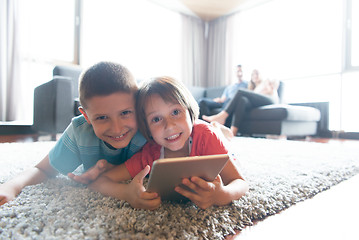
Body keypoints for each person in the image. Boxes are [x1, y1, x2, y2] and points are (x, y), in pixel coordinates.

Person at [89, 76, 249, 210]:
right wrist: (126, 193)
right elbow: (100, 181)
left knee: (221, 140)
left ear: (189, 110)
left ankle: (220, 130)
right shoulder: (150, 154)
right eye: (156, 119)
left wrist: (221, 195)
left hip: (211, 136)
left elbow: (240, 182)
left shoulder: (206, 137)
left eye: (175, 112)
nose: (169, 126)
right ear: (147, 128)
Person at [0, 61, 147, 206]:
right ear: (86, 116)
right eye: (102, 117)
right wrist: (11, 186)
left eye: (125, 113)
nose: (116, 129)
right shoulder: (80, 133)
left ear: (139, 106)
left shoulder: (149, 126)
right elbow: (42, 169)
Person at [203, 69, 279, 136]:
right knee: (242, 100)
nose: (255, 76)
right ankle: (233, 132)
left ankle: (222, 116)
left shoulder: (266, 81)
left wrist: (270, 85)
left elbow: (274, 84)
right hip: (258, 102)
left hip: (270, 99)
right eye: (253, 74)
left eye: (257, 73)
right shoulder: (252, 88)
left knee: (240, 91)